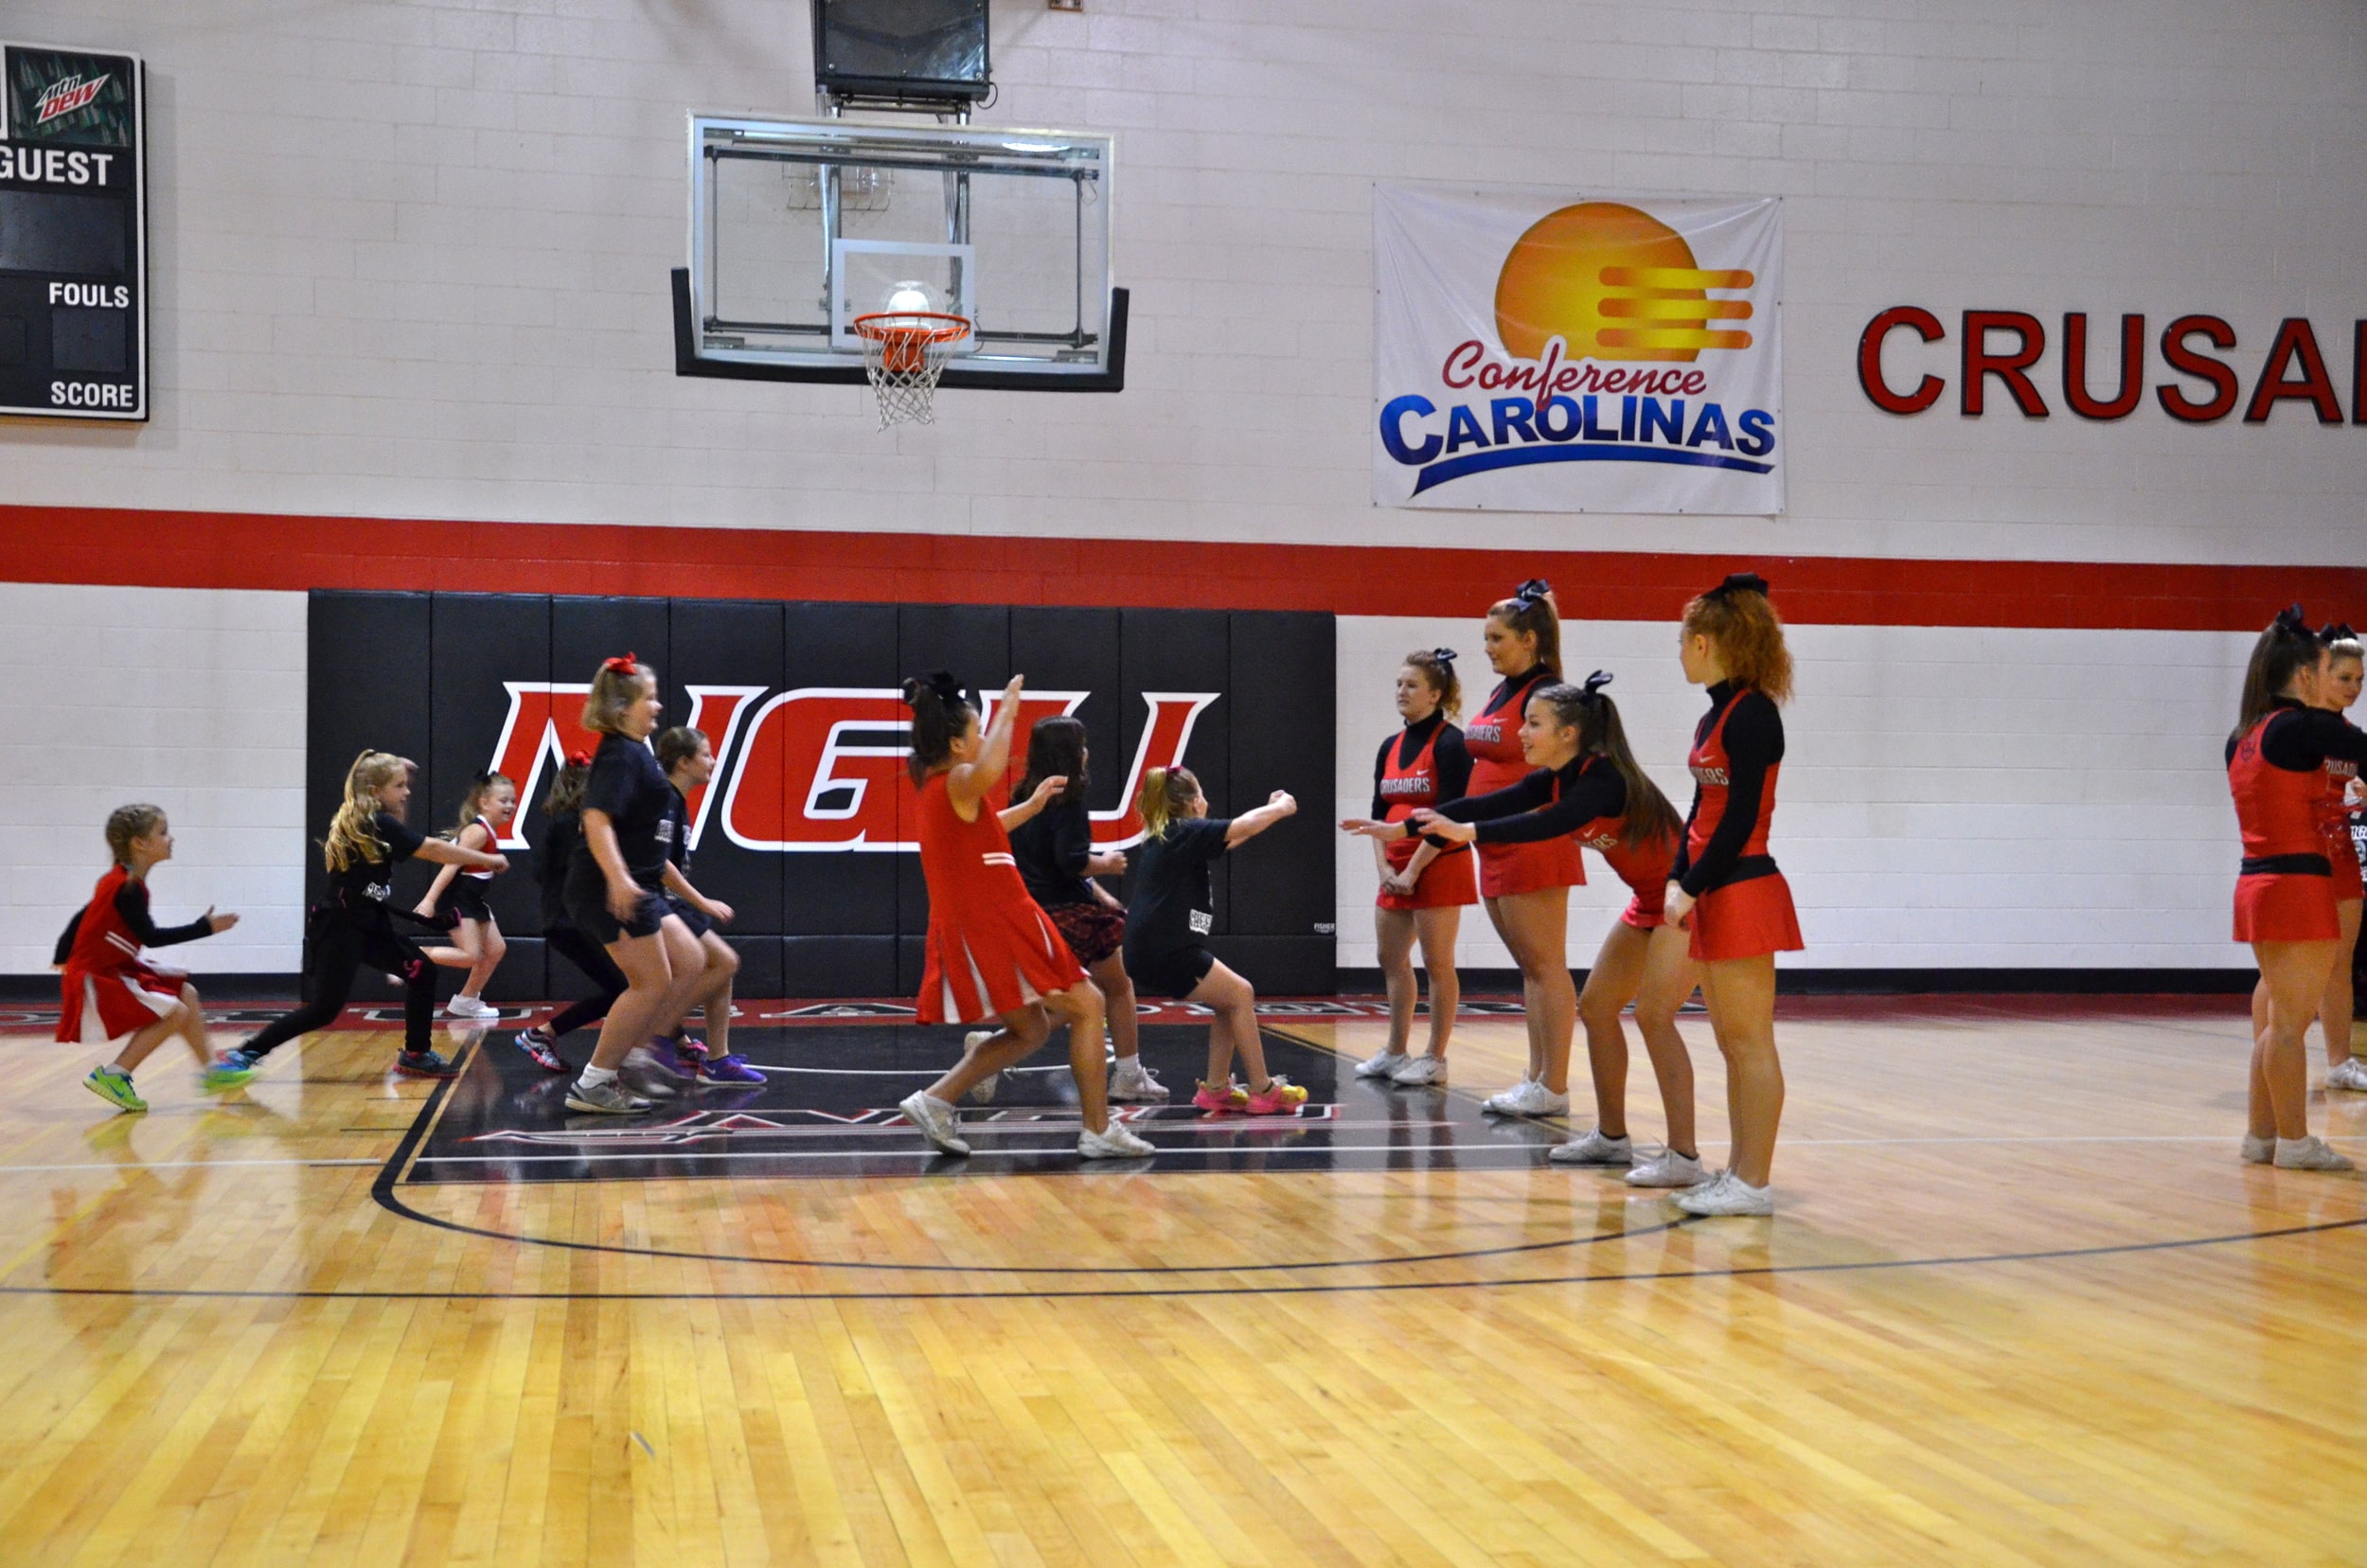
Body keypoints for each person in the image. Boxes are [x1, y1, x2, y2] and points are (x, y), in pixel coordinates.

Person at [1363, 673, 1704, 1187]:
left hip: (1691, 901)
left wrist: (1468, 833)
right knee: (1595, 1008)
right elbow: (1492, 803)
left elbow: (1546, 823)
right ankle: (1612, 1140)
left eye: (1534, 723)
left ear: (1569, 733)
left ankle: (1684, 1156)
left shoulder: (1603, 779)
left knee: (1655, 1017)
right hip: (1648, 903)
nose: (1520, 732)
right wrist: (1409, 826)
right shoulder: (1560, 775)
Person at [892, 671, 1153, 1161]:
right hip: (998, 916)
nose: (982, 738)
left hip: (977, 920)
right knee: (1090, 1004)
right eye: (975, 730)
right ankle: (1098, 1129)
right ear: (955, 741)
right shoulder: (961, 778)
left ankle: (934, 1100)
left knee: (1032, 1029)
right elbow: (989, 767)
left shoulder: (939, 786)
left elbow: (989, 827)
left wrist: (1032, 806)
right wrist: (1009, 708)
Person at [1662, 573, 1804, 1216]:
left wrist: (1691, 885)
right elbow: (1700, 808)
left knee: (1750, 1041)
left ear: (1707, 642)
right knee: (1729, 1041)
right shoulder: (1712, 713)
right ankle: (1736, 1173)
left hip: (1742, 886)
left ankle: (1754, 1182)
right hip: (1712, 886)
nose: (1680, 649)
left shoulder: (1753, 713)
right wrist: (1675, 874)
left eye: (1684, 638)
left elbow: (1741, 817)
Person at [227, 751, 507, 1078]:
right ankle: (248, 1052)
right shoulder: (376, 821)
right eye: (399, 786)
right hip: (339, 925)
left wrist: (390, 770)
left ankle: (416, 1054)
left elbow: (375, 787)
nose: (407, 792)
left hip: (369, 921)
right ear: (375, 792)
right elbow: (431, 849)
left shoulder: (374, 815)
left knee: (421, 970)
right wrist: (486, 860)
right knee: (323, 1010)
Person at [2225, 607, 2367, 1170]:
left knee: (2278, 1023)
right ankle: (2295, 1142)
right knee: (2287, 1027)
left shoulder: (2244, 735)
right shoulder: (2303, 729)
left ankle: (2261, 1138)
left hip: (2256, 884)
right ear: (2307, 674)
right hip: (2299, 884)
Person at [560, 654, 713, 1114]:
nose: (658, 706)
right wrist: (619, 878)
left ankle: (636, 1051)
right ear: (624, 707)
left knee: (691, 960)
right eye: (650, 698)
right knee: (650, 982)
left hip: (634, 881)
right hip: (607, 886)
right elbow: (595, 818)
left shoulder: (636, 749)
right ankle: (597, 1080)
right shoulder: (620, 754)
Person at [1464, 580, 1586, 1118]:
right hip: (1494, 841)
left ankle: (1553, 1085)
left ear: (1530, 640)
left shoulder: (1548, 692)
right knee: (1529, 968)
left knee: (1545, 966)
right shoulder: (1503, 690)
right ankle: (1536, 1076)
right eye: (1486, 638)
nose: (1487, 647)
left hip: (1534, 838)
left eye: (1497, 638)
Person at [1124, 766, 1307, 1115]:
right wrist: (1281, 808)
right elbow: (1242, 825)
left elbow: (1234, 836)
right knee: (1241, 993)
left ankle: (1216, 1090)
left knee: (1229, 1000)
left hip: (1154, 948)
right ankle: (1263, 1089)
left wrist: (1267, 814)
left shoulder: (1172, 834)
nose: (1206, 801)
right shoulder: (1185, 831)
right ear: (1194, 803)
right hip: (1165, 949)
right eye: (1203, 795)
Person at [1003, 714, 1166, 1103]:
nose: (1088, 751)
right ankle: (1126, 1077)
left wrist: (1097, 889)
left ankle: (995, 1048)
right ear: (1070, 753)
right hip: (1068, 912)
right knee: (1115, 988)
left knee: (1086, 996)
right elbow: (1069, 859)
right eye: (1082, 744)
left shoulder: (1023, 795)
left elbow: (1040, 860)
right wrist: (1105, 863)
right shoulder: (1069, 798)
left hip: (1038, 909)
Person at [57, 804, 254, 1113]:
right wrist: (205, 928)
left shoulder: (121, 880)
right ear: (140, 843)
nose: (170, 838)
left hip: (115, 966)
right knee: (174, 1011)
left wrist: (61, 950)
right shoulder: (127, 888)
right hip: (100, 974)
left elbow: (83, 915)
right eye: (162, 832)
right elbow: (152, 937)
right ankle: (114, 1075)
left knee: (185, 993)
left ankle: (213, 1072)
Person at [1343, 649, 1473, 1087]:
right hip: (1395, 868)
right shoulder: (1389, 746)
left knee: (1438, 962)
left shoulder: (1453, 744)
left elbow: (1449, 818)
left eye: (1412, 685)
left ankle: (1435, 1057)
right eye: (1399, 683)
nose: (1402, 691)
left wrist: (1414, 870)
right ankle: (1395, 1051)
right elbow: (1378, 816)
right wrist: (1384, 871)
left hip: (1437, 863)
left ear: (1436, 694)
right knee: (1391, 958)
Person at [644, 724, 762, 1084]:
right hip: (655, 902)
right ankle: (652, 1039)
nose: (712, 761)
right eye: (706, 755)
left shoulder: (675, 799)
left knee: (722, 964)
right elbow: (657, 863)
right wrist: (703, 902)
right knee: (720, 962)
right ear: (682, 762)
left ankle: (717, 1059)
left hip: (671, 901)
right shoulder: (663, 797)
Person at [511, 751, 627, 1074]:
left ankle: (659, 1044)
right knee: (626, 988)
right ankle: (543, 1034)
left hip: (569, 920)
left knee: (630, 985)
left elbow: (538, 869)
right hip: (572, 922)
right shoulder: (572, 824)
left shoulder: (564, 821)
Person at [2311, 623, 2366, 1092]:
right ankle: (2270, 1052)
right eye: (2344, 677)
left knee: (2340, 962)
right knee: (2288, 966)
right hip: (2300, 857)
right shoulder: (2292, 730)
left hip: (2342, 855)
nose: (2353, 688)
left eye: (2360, 680)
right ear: (2318, 672)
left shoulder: (2353, 738)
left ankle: (2339, 1063)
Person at [415, 771, 515, 1020]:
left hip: (472, 899)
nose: (510, 806)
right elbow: (451, 865)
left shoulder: (487, 831)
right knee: (471, 956)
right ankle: (408, 954)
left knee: (495, 949)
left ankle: (466, 1001)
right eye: (503, 801)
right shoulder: (478, 831)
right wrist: (430, 899)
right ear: (484, 802)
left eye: (513, 801)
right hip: (458, 900)